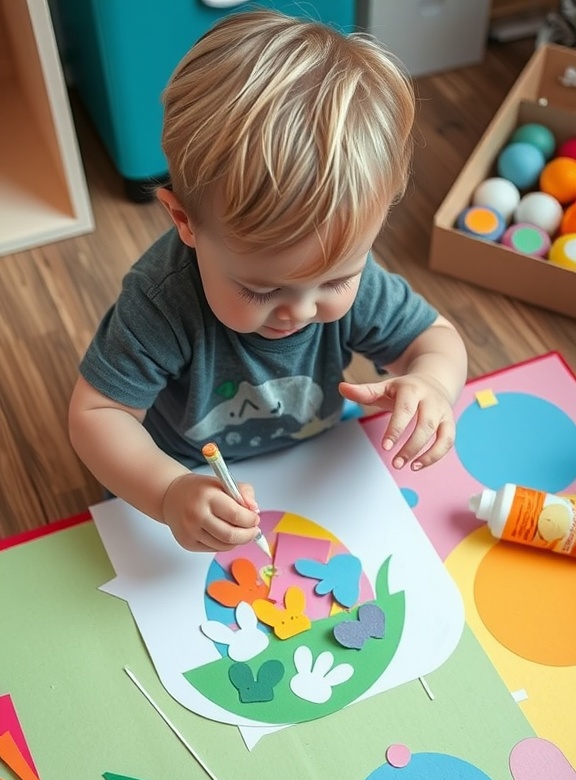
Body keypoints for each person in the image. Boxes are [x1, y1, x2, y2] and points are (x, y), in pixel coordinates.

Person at [69, 9, 467, 554]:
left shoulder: (348, 279)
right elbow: (98, 415)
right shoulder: (162, 302)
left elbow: (436, 339)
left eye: (336, 280)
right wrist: (167, 493)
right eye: (262, 290)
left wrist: (432, 385)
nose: (301, 310)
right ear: (185, 220)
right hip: (180, 473)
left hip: (314, 462)